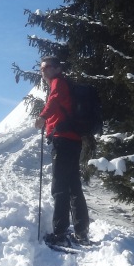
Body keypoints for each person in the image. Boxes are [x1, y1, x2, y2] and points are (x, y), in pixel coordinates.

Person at [34, 56, 90, 246]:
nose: (42, 71)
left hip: (63, 139)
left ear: (57, 68)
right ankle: (81, 232)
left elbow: (55, 100)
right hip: (73, 139)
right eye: (41, 68)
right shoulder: (65, 84)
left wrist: (43, 117)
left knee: (59, 187)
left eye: (46, 67)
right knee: (74, 186)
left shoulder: (58, 82)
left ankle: (60, 233)